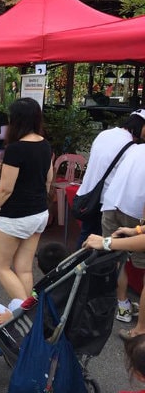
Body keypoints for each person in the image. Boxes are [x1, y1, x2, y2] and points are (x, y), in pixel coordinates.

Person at [0, 97, 53, 302]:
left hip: (16, 215)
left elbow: (5, 190)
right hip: (39, 213)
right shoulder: (45, 144)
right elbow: (48, 180)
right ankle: (28, 312)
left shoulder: (16, 149)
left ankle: (27, 312)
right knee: (24, 268)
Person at [94, 138, 145, 335]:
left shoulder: (134, 149)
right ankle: (140, 328)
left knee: (117, 259)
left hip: (111, 203)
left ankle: (122, 305)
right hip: (134, 212)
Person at [74, 110, 145, 248]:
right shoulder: (131, 146)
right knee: (102, 243)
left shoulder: (104, 134)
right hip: (105, 200)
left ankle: (75, 266)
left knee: (86, 236)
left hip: (87, 194)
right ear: (140, 125)